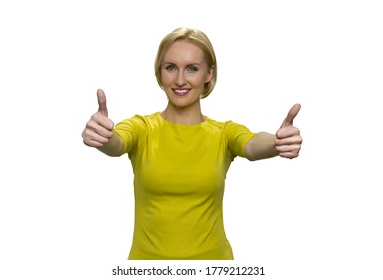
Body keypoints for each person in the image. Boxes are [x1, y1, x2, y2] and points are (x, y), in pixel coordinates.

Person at [82, 27, 302, 260]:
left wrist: (277, 143)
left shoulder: (223, 133)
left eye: (192, 69)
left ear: (208, 74)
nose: (179, 80)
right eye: (171, 68)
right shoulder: (142, 128)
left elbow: (252, 144)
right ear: (160, 72)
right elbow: (117, 143)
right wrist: (103, 138)